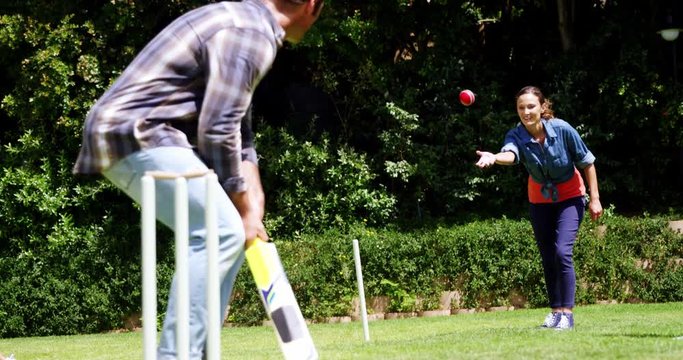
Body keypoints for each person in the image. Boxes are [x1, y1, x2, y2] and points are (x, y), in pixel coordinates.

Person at [73, 0, 324, 358]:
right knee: (219, 230)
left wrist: (253, 201)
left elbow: (238, 127)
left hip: (146, 131)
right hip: (137, 130)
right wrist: (239, 197)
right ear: (311, 5)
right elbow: (218, 129)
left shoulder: (246, 22)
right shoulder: (254, 33)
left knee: (231, 235)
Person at [475, 86, 603, 330]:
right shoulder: (516, 135)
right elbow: (511, 155)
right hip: (539, 201)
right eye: (521, 107)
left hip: (570, 197)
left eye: (531, 106)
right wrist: (494, 157)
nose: (526, 111)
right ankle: (555, 312)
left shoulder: (563, 129)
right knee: (547, 257)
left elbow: (587, 162)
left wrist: (595, 198)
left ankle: (567, 314)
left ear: (542, 107)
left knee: (562, 253)